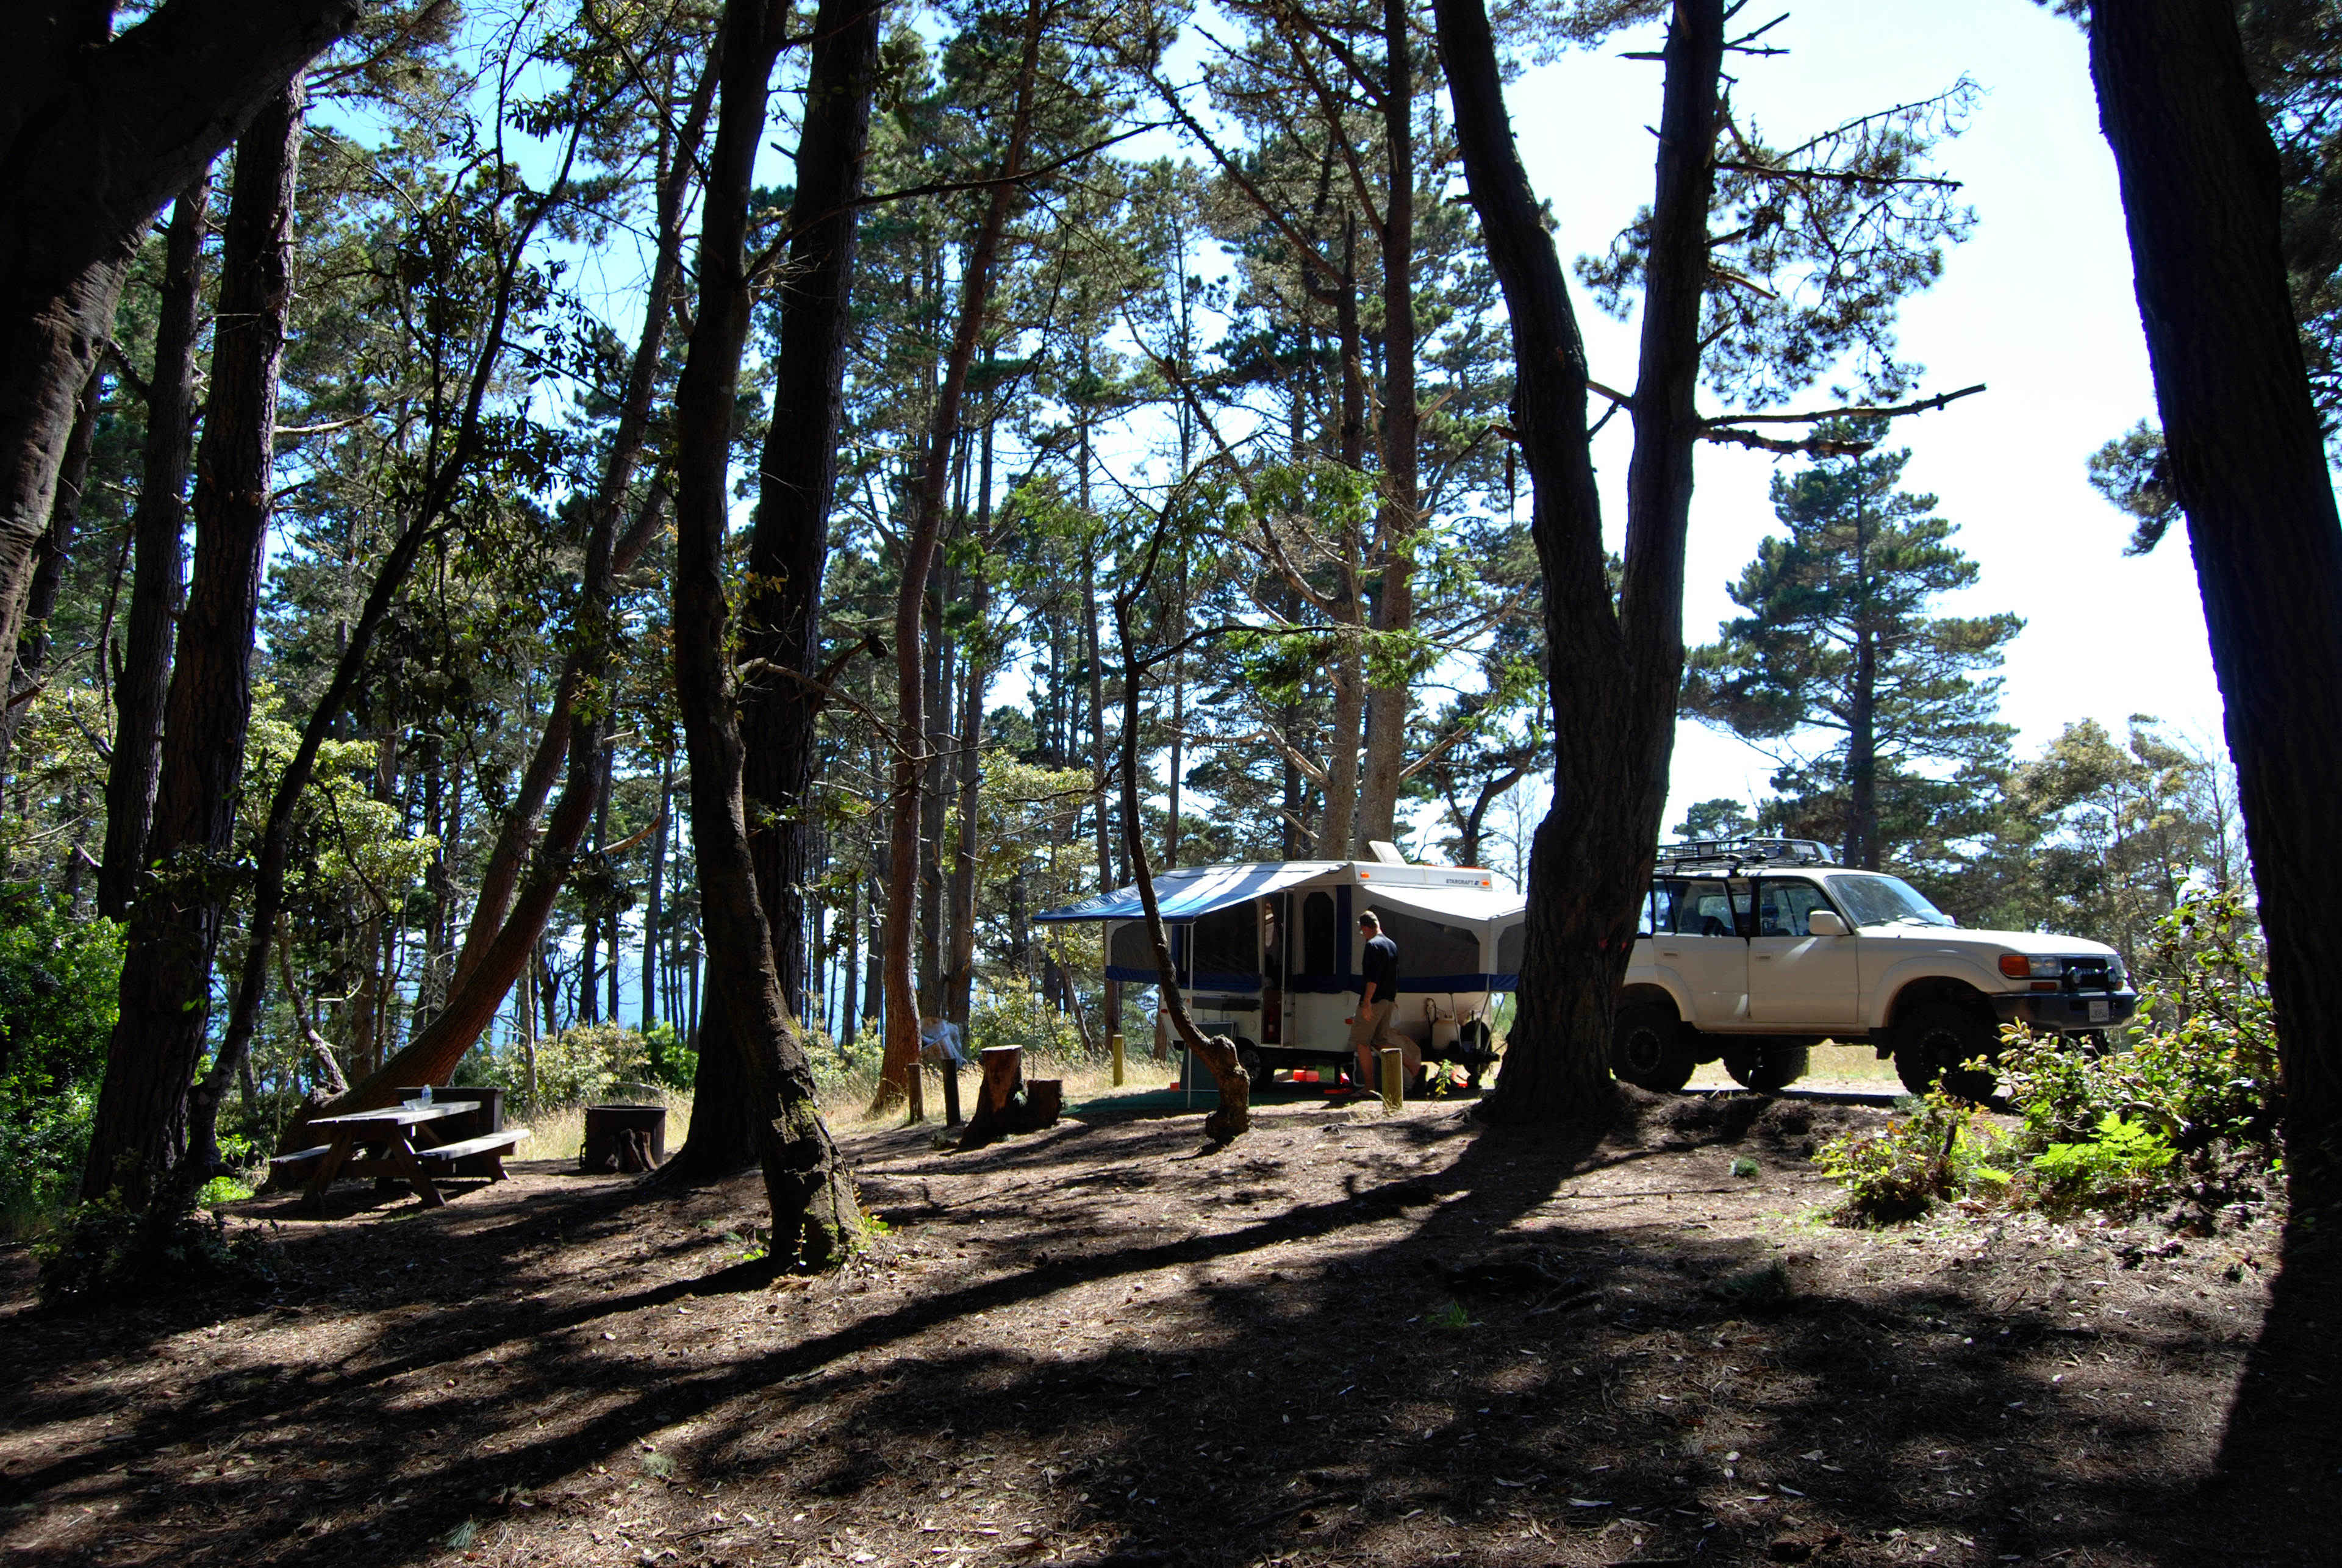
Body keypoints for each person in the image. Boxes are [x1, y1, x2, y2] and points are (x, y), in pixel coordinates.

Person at [1349, 911, 1418, 1090]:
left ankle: (1369, 1087)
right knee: (1380, 1041)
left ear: (1365, 928)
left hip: (1375, 1000)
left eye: (1363, 931)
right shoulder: (1391, 945)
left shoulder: (1373, 945)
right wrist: (1392, 999)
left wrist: (1367, 1002)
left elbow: (1373, 977)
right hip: (1388, 999)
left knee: (1361, 1041)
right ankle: (1415, 1068)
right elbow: (1394, 974)